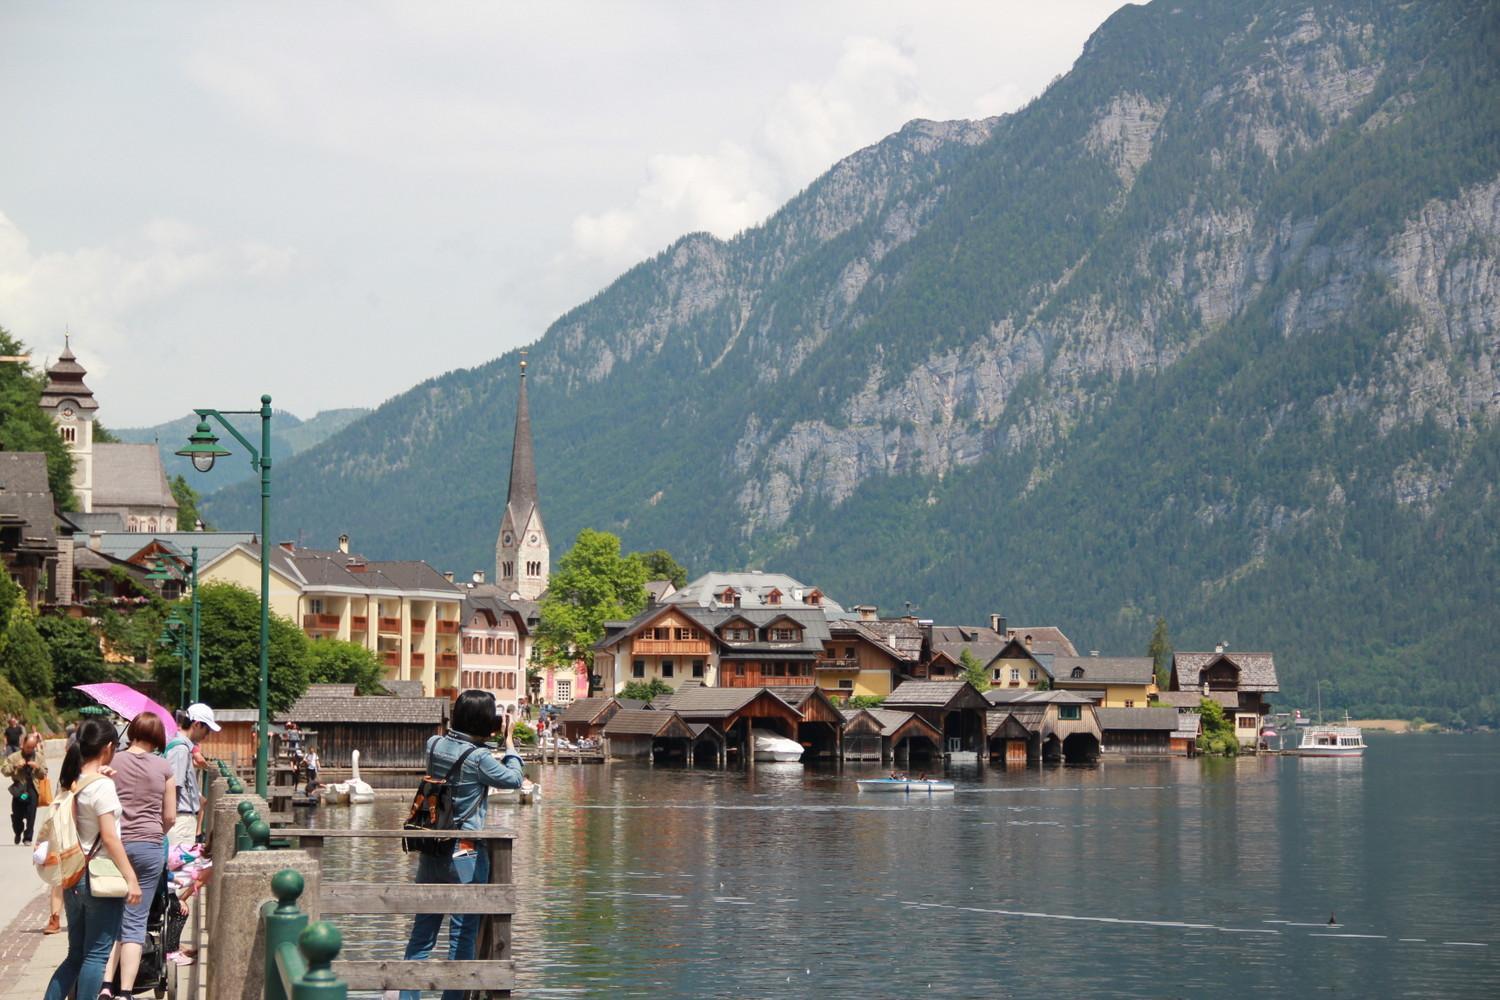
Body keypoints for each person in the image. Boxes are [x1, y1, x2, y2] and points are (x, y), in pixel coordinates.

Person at [398, 690, 524, 1000]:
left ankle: (408, 997)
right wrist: (509, 746)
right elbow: (514, 780)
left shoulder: (434, 744)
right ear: (486, 721)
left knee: (422, 934)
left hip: (432, 847)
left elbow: (456, 746)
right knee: (463, 934)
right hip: (465, 850)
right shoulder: (479, 758)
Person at [41, 718, 142, 1000]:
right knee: (96, 955)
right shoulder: (102, 787)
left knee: (75, 955)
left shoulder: (72, 783)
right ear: (109, 747)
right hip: (99, 877)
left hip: (73, 876)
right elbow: (109, 837)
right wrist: (131, 878)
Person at [101, 712, 176, 1000]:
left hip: (114, 845)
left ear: (132, 732)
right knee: (135, 921)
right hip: (148, 846)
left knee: (109, 918)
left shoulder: (113, 761)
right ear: (157, 738)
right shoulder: (164, 767)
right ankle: (125, 992)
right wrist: (157, 832)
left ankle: (105, 984)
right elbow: (169, 816)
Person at [165, 703, 218, 849]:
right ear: (197, 724)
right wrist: (170, 818)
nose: (207, 735)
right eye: (207, 729)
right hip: (180, 818)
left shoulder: (180, 745)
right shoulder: (181, 748)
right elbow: (174, 784)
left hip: (179, 817)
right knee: (181, 869)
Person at [3, 732, 48, 844]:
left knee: (31, 815)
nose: (30, 750)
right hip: (19, 789)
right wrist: (15, 766)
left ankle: (28, 838)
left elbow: (44, 773)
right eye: (28, 747)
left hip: (33, 789)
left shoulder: (38, 757)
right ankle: (18, 831)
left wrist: (37, 768)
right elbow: (4, 770)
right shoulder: (14, 757)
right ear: (23, 744)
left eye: (32, 747)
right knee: (17, 815)